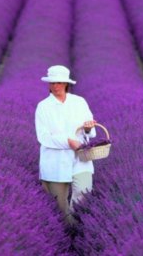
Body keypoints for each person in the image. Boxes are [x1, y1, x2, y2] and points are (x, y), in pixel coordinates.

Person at [35, 65, 96, 225]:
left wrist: (88, 129)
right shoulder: (43, 107)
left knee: (83, 194)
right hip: (55, 161)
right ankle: (67, 237)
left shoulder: (79, 102)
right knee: (60, 208)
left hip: (81, 158)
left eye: (59, 83)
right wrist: (68, 141)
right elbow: (43, 137)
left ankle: (80, 232)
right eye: (52, 83)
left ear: (66, 84)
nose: (55, 86)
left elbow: (91, 131)